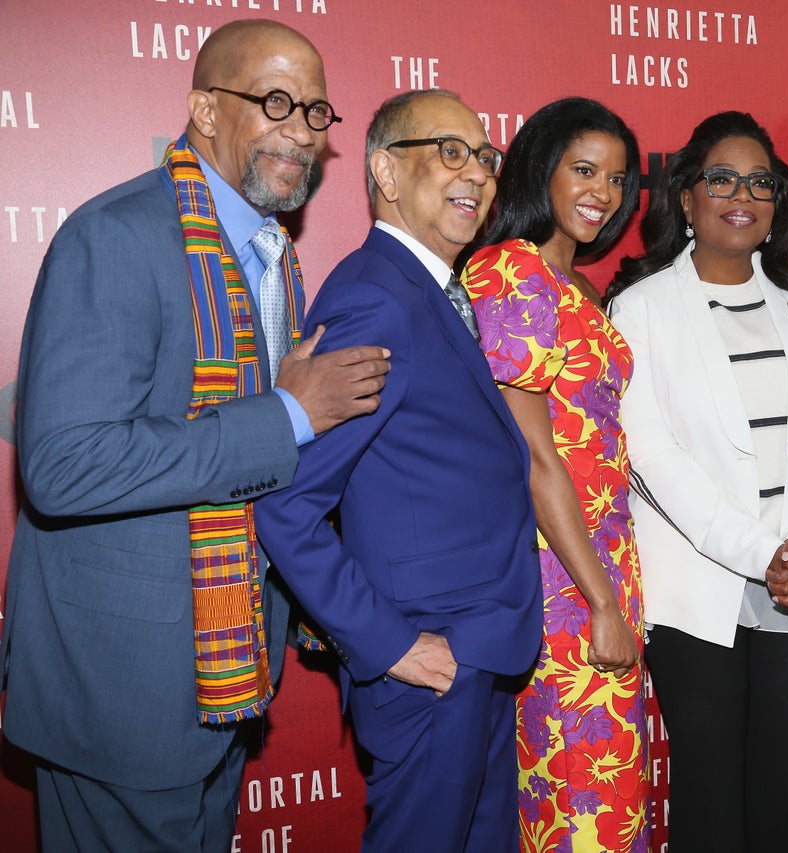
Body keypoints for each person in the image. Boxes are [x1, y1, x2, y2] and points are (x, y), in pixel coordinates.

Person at [0, 19, 391, 852]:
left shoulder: (270, 254)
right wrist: (289, 415)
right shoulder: (118, 237)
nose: (302, 130)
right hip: (124, 690)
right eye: (276, 101)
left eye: (318, 113)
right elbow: (64, 466)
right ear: (205, 109)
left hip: (228, 668)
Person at [253, 89, 542, 852]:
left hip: (476, 652)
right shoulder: (378, 298)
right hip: (432, 667)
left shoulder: (432, 290)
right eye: (450, 151)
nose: (476, 174)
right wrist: (393, 645)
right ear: (384, 169)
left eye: (484, 156)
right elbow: (287, 506)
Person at [607, 110, 788, 853]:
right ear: (686, 195)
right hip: (698, 586)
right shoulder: (641, 307)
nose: (740, 194)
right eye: (721, 178)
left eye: (760, 181)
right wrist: (762, 554)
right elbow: (649, 456)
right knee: (711, 793)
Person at [459, 97, 649, 853]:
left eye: (616, 176)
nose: (602, 190)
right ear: (541, 167)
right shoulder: (511, 273)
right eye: (583, 168)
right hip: (561, 586)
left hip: (603, 571)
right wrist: (600, 599)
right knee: (581, 812)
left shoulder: (579, 288)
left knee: (609, 804)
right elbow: (533, 457)